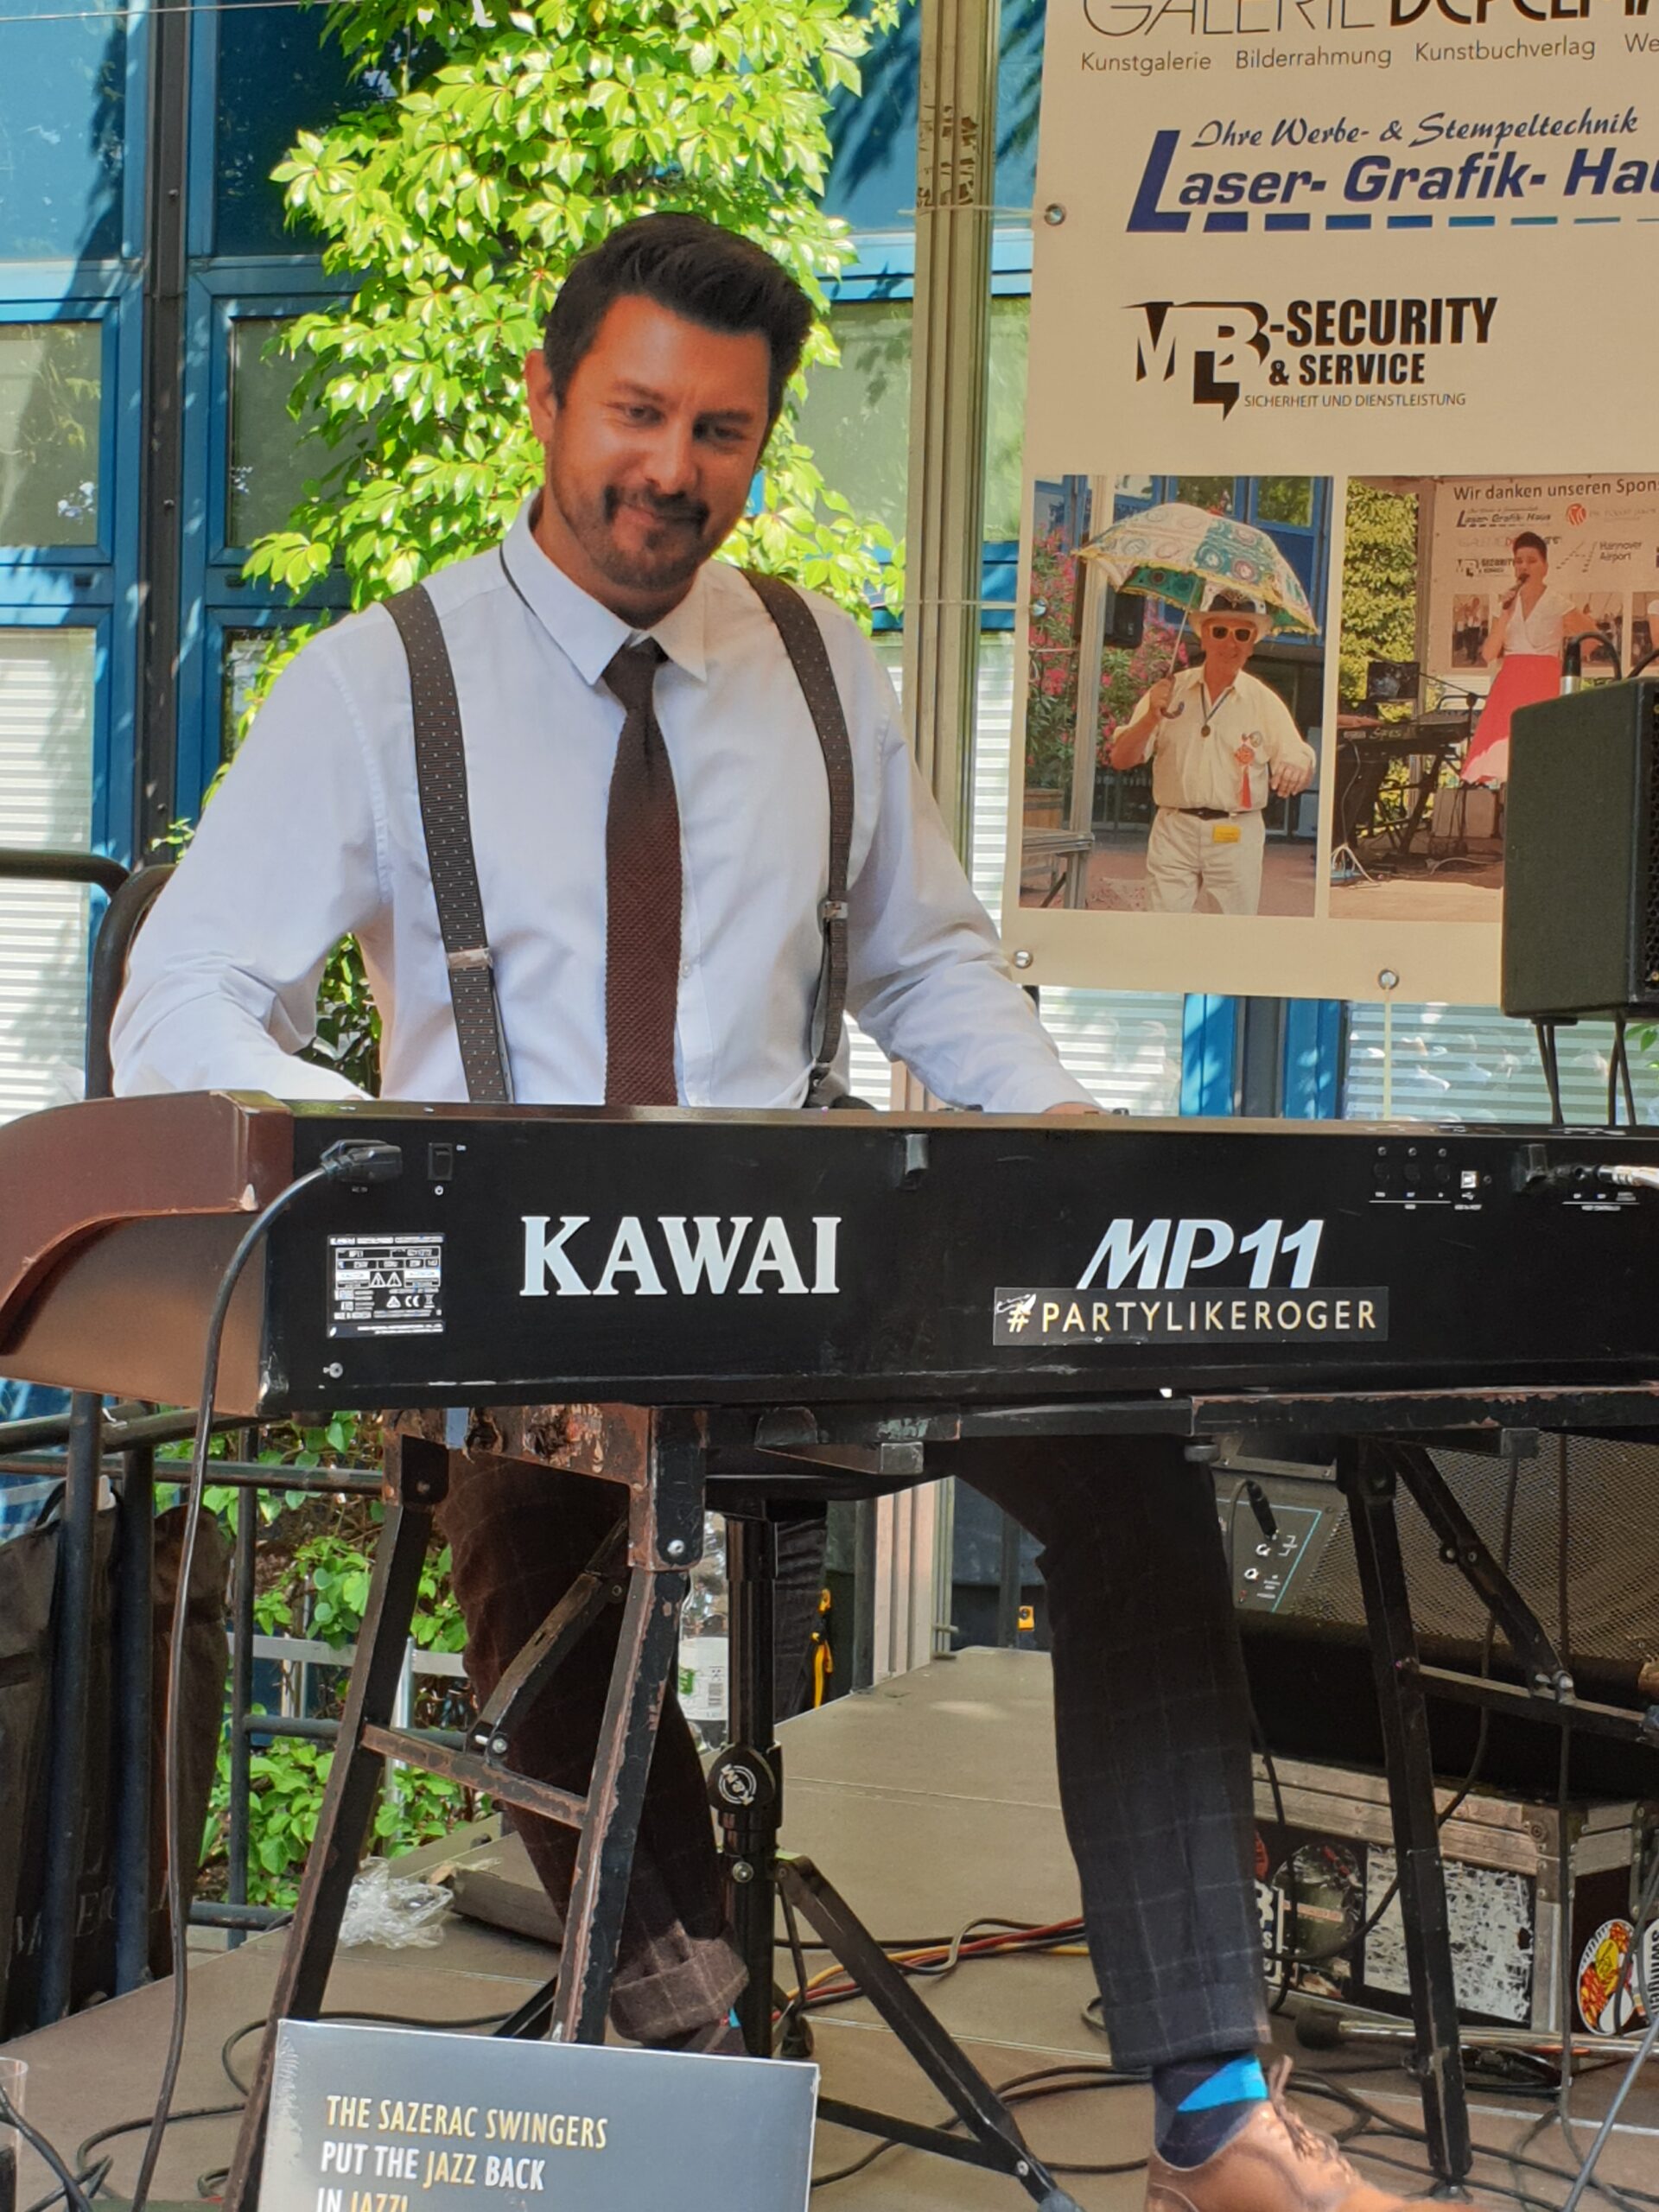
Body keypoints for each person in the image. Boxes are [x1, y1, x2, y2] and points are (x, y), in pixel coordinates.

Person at [111, 213, 1408, 2212]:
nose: (670, 468)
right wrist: (418, 1171)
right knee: (541, 1569)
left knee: (1131, 1467)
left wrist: (1060, 1132)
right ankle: (698, 2090)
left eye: (719, 430)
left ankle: (1211, 2109)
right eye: (635, 413)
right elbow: (182, 998)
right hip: (532, 1317)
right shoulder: (386, 683)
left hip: (811, 1288)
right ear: (547, 399)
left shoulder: (816, 664)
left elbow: (926, 962)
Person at [1109, 596, 1316, 916]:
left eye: (1242, 634)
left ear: (1252, 645)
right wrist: (1151, 717)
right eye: (1219, 632)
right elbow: (1121, 759)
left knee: (1230, 933)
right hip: (1175, 829)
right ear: (1203, 637)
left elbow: (1298, 755)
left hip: (1236, 831)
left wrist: (1299, 766)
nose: (1230, 643)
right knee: (1162, 929)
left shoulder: (1263, 700)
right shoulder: (1169, 691)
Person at [1460, 531, 1592, 785]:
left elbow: (1593, 637)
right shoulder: (1507, 604)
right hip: (1511, 681)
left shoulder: (1558, 603)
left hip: (1545, 679)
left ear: (1545, 567)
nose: (1524, 567)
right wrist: (1505, 613)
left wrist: (1567, 661)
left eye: (1532, 561)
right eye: (1519, 561)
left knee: (1544, 754)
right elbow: (1488, 653)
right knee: (1509, 758)